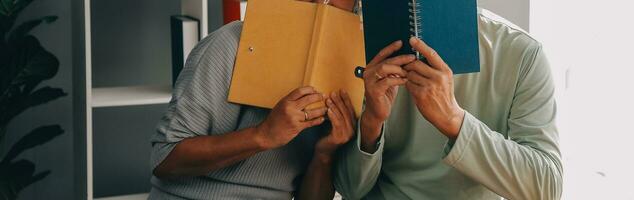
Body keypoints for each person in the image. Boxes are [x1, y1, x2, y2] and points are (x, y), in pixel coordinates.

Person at [334, 9, 563, 200]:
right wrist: (372, 122)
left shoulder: (522, 53)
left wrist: (454, 119)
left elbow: (546, 189)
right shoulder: (361, 43)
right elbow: (348, 189)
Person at [149, 0, 359, 199]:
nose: (322, 3)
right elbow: (164, 160)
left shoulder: (346, 72)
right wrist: (263, 135)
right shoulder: (229, 43)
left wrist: (325, 154)